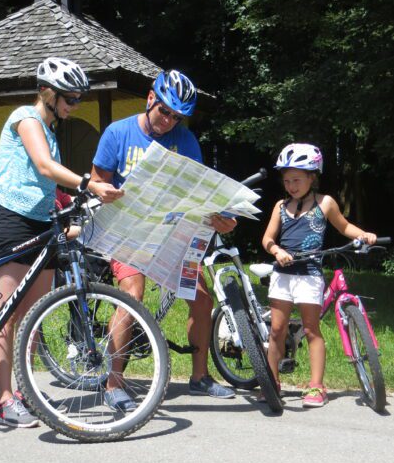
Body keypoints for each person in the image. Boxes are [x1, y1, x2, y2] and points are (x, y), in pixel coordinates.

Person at [0, 57, 123, 427]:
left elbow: (49, 183)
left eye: (77, 100)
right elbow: (45, 168)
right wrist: (89, 183)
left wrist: (78, 204)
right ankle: (2, 399)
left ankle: (25, 390)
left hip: (41, 222)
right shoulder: (25, 118)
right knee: (7, 316)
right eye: (70, 99)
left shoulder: (50, 129)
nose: (73, 106)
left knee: (33, 317)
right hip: (10, 218)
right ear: (47, 92)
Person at [92, 69, 237, 411]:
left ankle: (199, 378)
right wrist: (107, 195)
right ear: (150, 98)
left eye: (178, 116)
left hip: (169, 234)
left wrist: (221, 218)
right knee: (133, 294)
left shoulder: (185, 141)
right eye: (165, 112)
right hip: (127, 231)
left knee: (202, 299)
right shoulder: (118, 133)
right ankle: (114, 384)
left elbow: (200, 191)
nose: (170, 121)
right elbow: (97, 182)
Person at [262, 143, 377, 408]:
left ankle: (316, 385)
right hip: (283, 274)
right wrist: (276, 250)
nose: (291, 186)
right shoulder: (280, 206)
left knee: (312, 329)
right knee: (277, 330)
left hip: (310, 275)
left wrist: (364, 235)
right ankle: (272, 383)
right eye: (287, 180)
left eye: (297, 180)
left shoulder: (325, 203)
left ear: (312, 177)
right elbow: (267, 238)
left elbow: (345, 226)